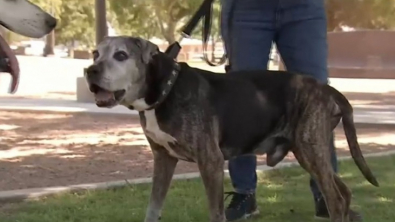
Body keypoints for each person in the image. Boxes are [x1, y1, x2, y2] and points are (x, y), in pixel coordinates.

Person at [220, 0, 362, 221]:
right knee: (240, 97)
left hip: (304, 8)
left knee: (316, 100)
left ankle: (326, 195)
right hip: (246, 9)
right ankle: (244, 194)